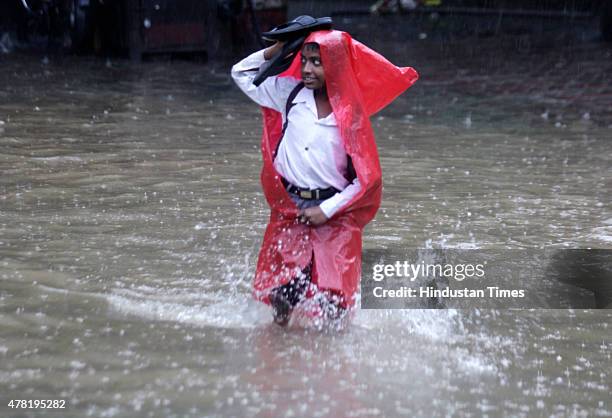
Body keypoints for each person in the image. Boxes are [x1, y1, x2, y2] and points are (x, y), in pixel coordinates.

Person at [231, 29, 418, 326]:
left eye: (317, 62)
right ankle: (280, 353)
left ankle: (333, 362)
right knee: (282, 293)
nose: (307, 69)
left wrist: (326, 210)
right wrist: (277, 51)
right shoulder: (288, 93)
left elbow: (365, 181)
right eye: (304, 60)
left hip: (335, 212)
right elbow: (241, 74)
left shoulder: (350, 115)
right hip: (291, 208)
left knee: (334, 301)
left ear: (335, 64)